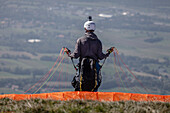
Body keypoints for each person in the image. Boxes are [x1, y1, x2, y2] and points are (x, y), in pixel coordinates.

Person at [65, 16, 114, 91]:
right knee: (94, 83)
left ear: (85, 28)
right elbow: (101, 56)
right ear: (94, 29)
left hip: (82, 66)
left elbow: (76, 55)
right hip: (94, 66)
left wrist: (68, 53)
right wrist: (108, 53)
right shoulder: (98, 42)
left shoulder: (80, 40)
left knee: (79, 83)